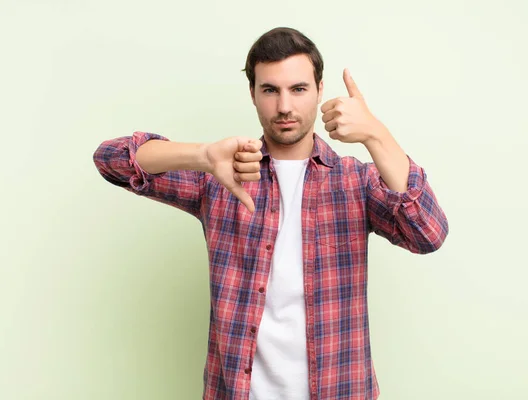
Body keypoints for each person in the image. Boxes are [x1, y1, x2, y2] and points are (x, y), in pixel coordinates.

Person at [93, 27, 449, 400]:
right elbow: (111, 160)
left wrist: (376, 134)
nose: (284, 107)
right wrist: (202, 156)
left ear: (319, 90)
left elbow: (428, 233)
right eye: (270, 90)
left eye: (298, 89)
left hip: (339, 389)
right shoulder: (223, 177)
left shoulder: (354, 182)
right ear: (252, 94)